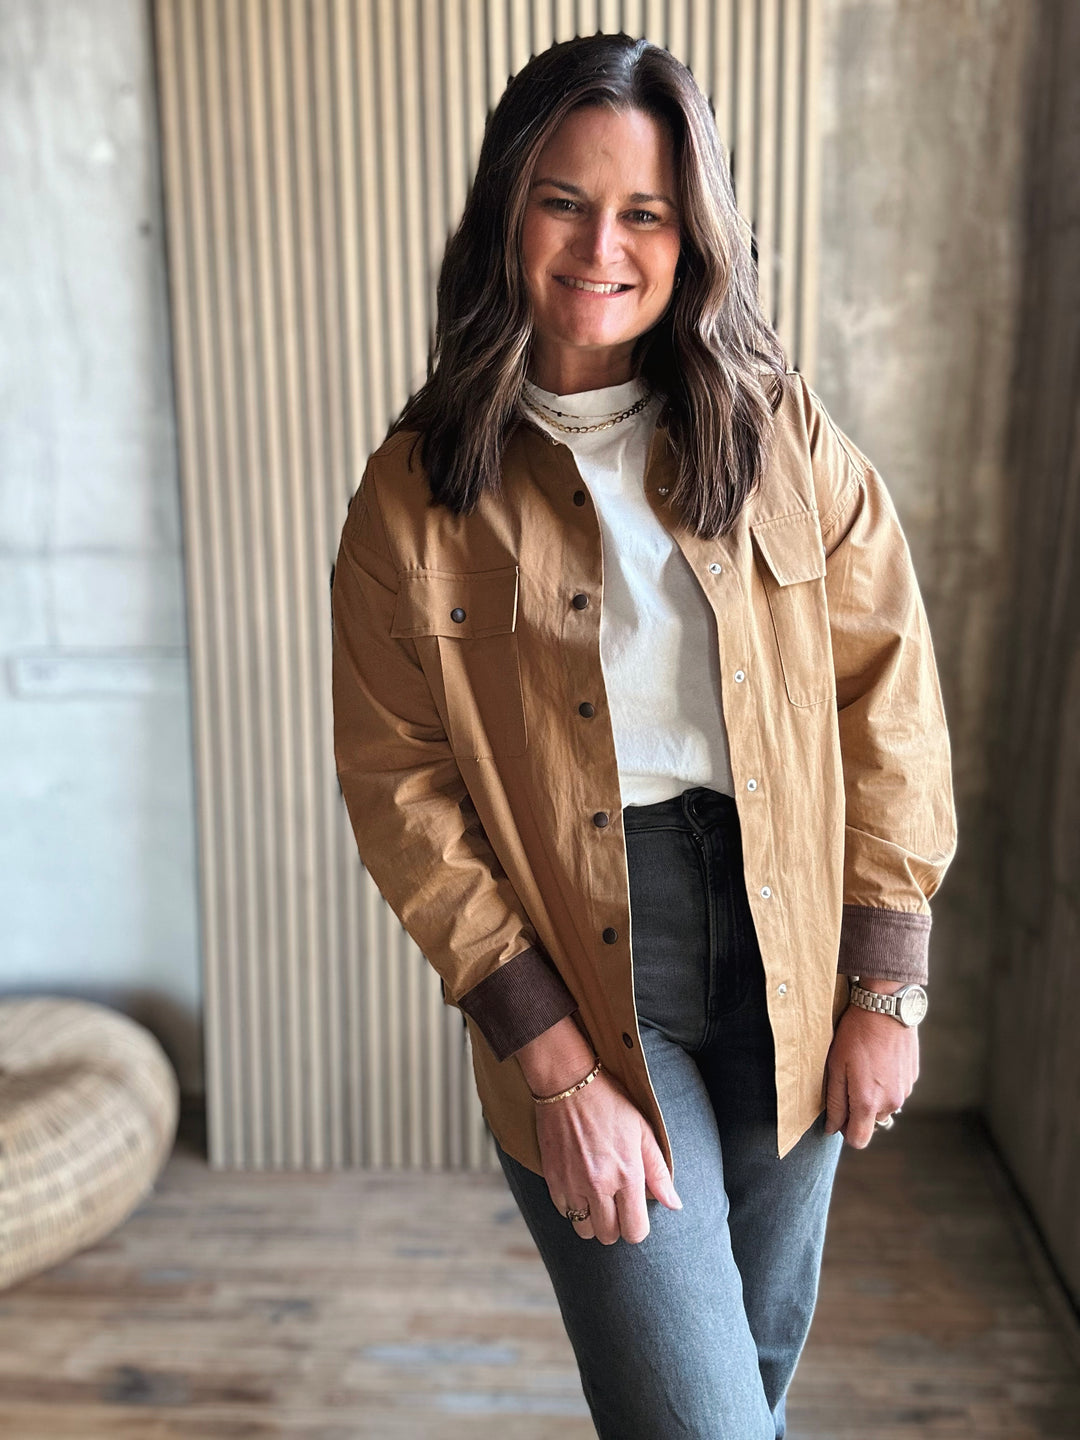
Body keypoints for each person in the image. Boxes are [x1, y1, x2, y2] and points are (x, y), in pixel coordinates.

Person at [331, 32, 957, 1440]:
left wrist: (887, 981)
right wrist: (549, 1061)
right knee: (704, 1423)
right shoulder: (413, 496)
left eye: (645, 211)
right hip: (586, 973)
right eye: (564, 199)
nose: (600, 244)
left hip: (793, 949)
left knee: (754, 1383)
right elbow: (399, 786)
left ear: (693, 231)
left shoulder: (780, 437)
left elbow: (889, 693)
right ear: (507, 206)